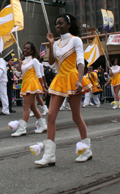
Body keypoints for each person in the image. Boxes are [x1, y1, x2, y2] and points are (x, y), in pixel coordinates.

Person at [35, 14, 93, 166]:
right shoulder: (56, 43)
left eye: (60, 23)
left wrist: (80, 80)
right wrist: (51, 44)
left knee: (76, 117)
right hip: (59, 80)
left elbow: (80, 61)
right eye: (56, 24)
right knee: (51, 116)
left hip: (73, 79)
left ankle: (86, 150)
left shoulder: (76, 40)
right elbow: (52, 64)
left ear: (68, 24)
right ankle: (49, 155)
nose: (58, 26)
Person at [12, 43, 46, 136]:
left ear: (31, 51)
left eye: (27, 49)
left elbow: (39, 74)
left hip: (32, 84)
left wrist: (43, 86)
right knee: (33, 107)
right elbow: (18, 75)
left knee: (25, 107)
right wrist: (19, 63)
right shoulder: (22, 62)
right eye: (24, 48)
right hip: (26, 84)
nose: (25, 50)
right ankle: (43, 125)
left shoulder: (34, 60)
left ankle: (22, 129)